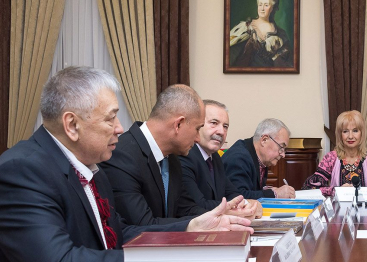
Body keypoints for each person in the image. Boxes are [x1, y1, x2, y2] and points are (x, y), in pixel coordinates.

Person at [0, 66, 252, 262]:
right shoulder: (22, 170)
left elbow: (120, 233)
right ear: (72, 125)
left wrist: (191, 228)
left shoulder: (91, 168)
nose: (120, 128)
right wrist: (163, 260)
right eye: (110, 119)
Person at [101, 85, 257, 225]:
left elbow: (185, 209)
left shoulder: (172, 158)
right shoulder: (122, 156)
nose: (197, 138)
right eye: (197, 129)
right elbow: (143, 225)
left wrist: (221, 215)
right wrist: (197, 224)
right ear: (178, 124)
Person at [179, 99, 262, 217]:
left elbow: (232, 193)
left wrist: (246, 204)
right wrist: (238, 207)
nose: (221, 131)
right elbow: (198, 205)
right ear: (198, 125)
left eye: (225, 126)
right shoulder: (185, 155)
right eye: (214, 123)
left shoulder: (215, 157)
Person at [302, 110, 367, 197]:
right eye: (345, 131)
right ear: (340, 134)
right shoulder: (330, 158)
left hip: (366, 209)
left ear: (361, 133)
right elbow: (309, 187)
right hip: (337, 209)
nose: (350, 136)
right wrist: (337, 191)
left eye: (355, 131)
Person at [222, 118, 296, 199]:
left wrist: (270, 190)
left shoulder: (262, 158)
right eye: (281, 147)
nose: (283, 155)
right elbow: (238, 197)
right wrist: (274, 194)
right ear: (264, 140)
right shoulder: (238, 158)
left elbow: (252, 189)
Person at [229, 0, 293, 68]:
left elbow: (287, 65)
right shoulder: (244, 27)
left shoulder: (281, 34)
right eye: (260, 5)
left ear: (273, 7)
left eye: (266, 5)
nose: (262, 8)